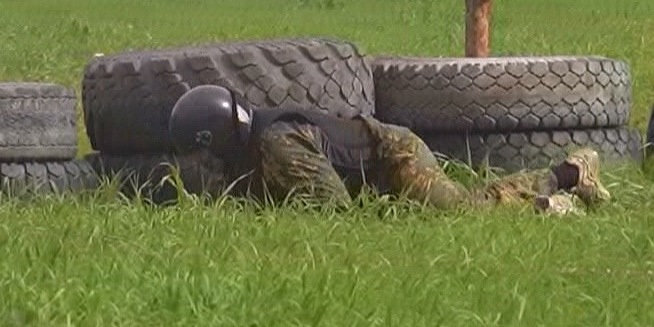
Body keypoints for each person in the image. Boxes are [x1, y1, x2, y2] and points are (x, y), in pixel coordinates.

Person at [167, 84, 609, 214]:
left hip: (392, 157)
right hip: (375, 171)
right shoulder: (254, 145)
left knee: (461, 211)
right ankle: (549, 205)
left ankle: (569, 174)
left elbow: (331, 205)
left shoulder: (276, 143)